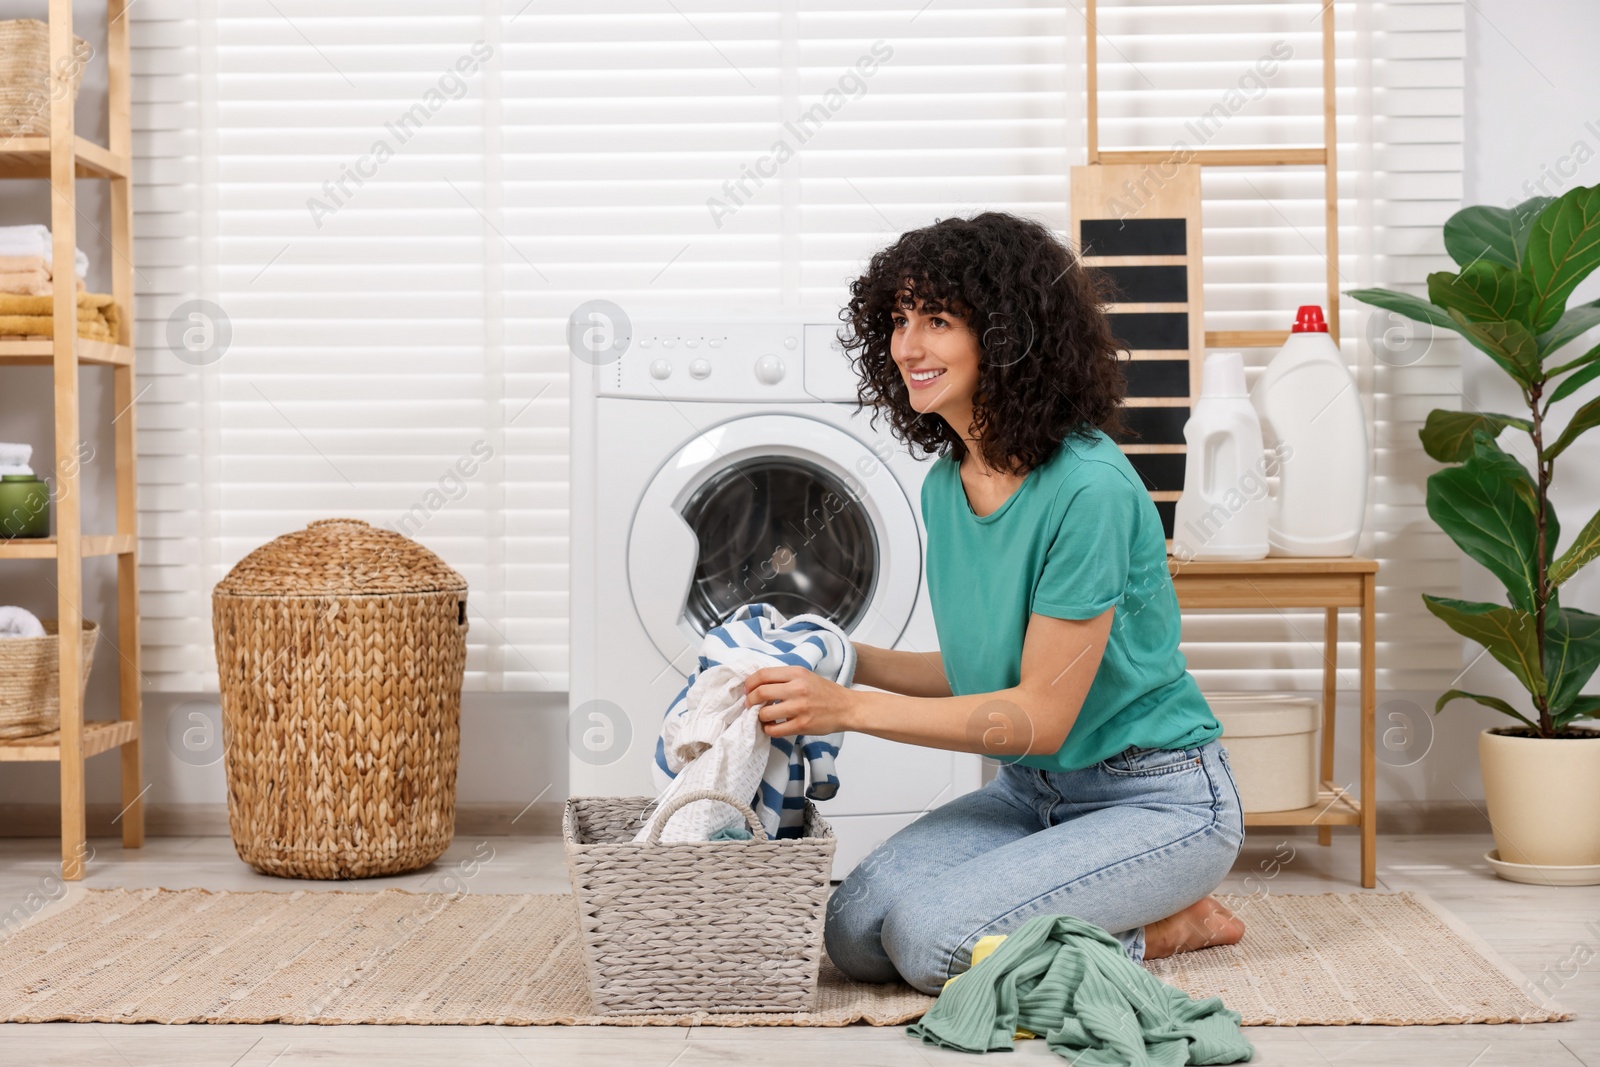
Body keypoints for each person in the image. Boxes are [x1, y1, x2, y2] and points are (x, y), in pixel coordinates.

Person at [739, 212, 1246, 995]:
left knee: (934, 943)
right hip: (1030, 790)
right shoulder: (948, 483)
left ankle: (1170, 924)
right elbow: (987, 668)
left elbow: (1036, 714)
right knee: (852, 932)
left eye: (938, 320)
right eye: (901, 319)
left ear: (1008, 336)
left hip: (1156, 797)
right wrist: (838, 653)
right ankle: (1093, 906)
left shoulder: (1089, 488)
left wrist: (846, 708)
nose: (909, 345)